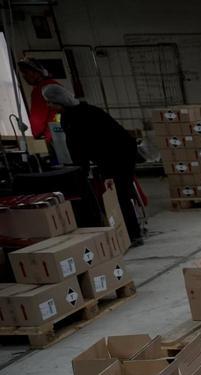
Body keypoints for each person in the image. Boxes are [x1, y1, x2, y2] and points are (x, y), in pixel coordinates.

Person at [42, 84, 142, 244]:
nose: (48, 106)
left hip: (117, 154)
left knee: (119, 194)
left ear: (59, 102)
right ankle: (127, 231)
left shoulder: (74, 117)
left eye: (50, 102)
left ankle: (133, 234)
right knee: (121, 192)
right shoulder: (84, 110)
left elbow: (78, 146)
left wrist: (81, 169)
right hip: (119, 152)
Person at [18, 60, 58, 142]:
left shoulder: (40, 90)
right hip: (65, 131)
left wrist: (32, 134)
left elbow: (37, 120)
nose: (24, 76)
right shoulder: (55, 84)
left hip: (53, 137)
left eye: (26, 72)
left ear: (37, 73)